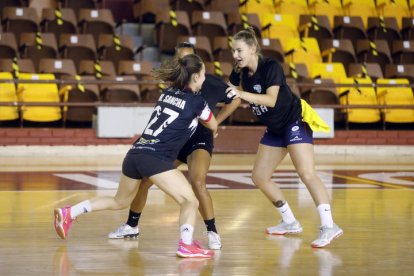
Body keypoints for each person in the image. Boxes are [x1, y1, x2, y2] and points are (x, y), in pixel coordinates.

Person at [54, 54, 218, 258]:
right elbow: (213, 125)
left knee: (119, 201)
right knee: (190, 201)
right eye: (203, 75)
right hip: (156, 157)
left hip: (135, 153)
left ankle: (71, 212)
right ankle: (186, 244)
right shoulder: (197, 101)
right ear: (195, 77)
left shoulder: (166, 93)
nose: (204, 79)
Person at [107, 42, 241, 250]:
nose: (183, 63)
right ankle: (131, 225)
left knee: (197, 182)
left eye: (187, 58)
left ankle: (212, 230)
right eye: (180, 59)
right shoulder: (174, 86)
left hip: (199, 140)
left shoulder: (211, 82)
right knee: (144, 182)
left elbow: (235, 99)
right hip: (174, 142)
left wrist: (217, 121)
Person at [226, 27, 343, 248]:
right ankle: (289, 221)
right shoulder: (239, 72)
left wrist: (241, 94)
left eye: (239, 50)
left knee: (307, 173)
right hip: (275, 128)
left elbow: (270, 100)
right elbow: (231, 95)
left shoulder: (271, 67)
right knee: (259, 177)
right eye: (233, 51)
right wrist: (216, 119)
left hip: (294, 121)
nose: (235, 56)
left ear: (252, 49)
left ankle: (329, 226)